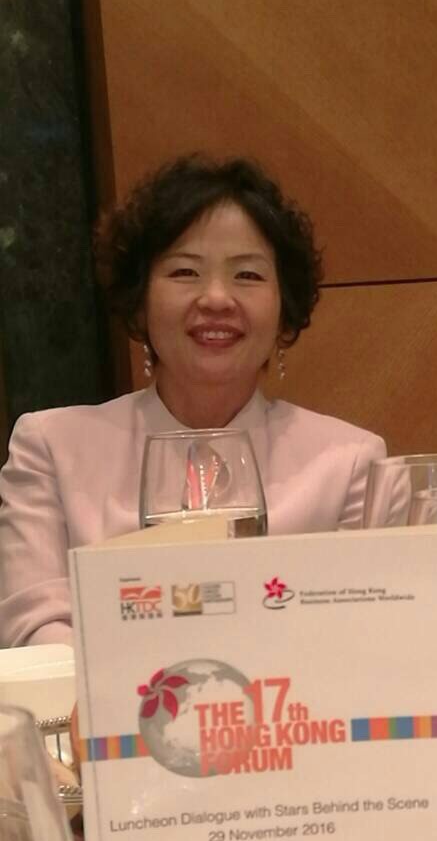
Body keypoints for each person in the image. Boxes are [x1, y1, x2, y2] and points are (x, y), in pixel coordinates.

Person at [0, 155, 388, 647]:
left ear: (284, 308)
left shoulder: (349, 464)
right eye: (185, 271)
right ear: (140, 301)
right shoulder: (51, 448)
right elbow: (34, 629)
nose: (216, 299)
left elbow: (362, 638)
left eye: (248, 275)